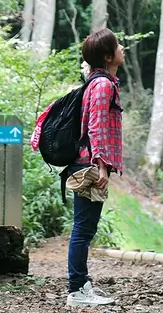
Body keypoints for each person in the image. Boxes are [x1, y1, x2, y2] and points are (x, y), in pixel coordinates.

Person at [66, 28, 124, 308]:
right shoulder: (102, 86)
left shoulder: (102, 82)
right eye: (118, 45)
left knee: (85, 228)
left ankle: (81, 285)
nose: (122, 48)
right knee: (83, 229)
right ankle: (76, 289)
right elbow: (96, 127)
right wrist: (101, 166)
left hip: (88, 162)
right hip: (89, 164)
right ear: (108, 55)